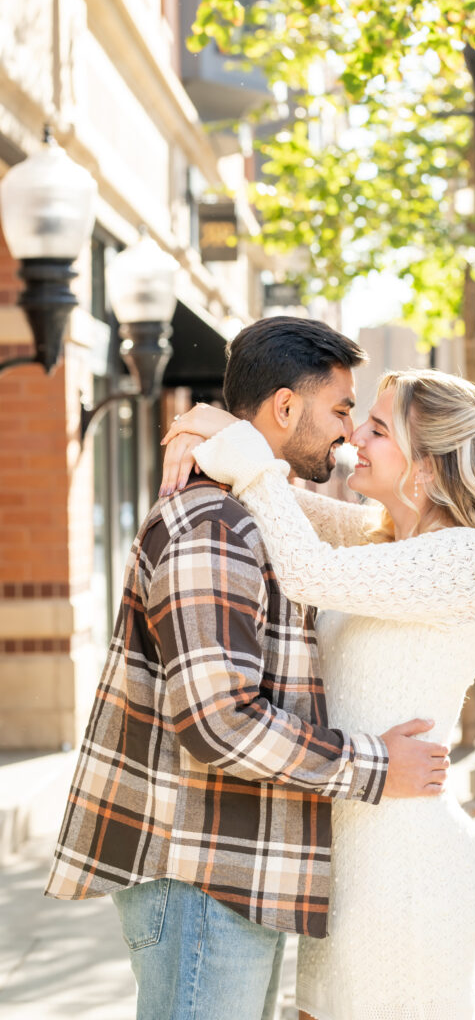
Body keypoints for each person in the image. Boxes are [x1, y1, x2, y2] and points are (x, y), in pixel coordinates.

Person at [44, 316, 451, 1020]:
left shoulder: (251, 513)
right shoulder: (215, 526)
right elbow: (218, 721)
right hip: (199, 872)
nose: (348, 434)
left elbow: (372, 540)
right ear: (285, 408)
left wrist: (214, 431)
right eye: (341, 409)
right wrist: (376, 766)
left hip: (232, 866)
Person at [160, 364, 475, 1020]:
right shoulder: (380, 540)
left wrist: (241, 455)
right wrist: (206, 424)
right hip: (346, 870)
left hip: (409, 874)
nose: (351, 442)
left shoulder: (470, 559)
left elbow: (303, 567)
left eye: (376, 428)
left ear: (426, 464)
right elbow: (277, 500)